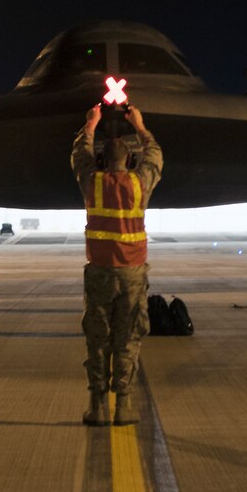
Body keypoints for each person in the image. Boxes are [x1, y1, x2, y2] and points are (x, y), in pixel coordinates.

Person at [73, 100, 163, 426]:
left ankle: (97, 406)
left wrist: (91, 123)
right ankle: (123, 405)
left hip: (99, 271)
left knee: (97, 340)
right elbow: (155, 156)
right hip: (132, 273)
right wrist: (139, 125)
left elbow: (78, 156)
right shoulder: (140, 184)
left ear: (101, 160)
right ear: (131, 159)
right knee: (128, 339)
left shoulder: (92, 184)